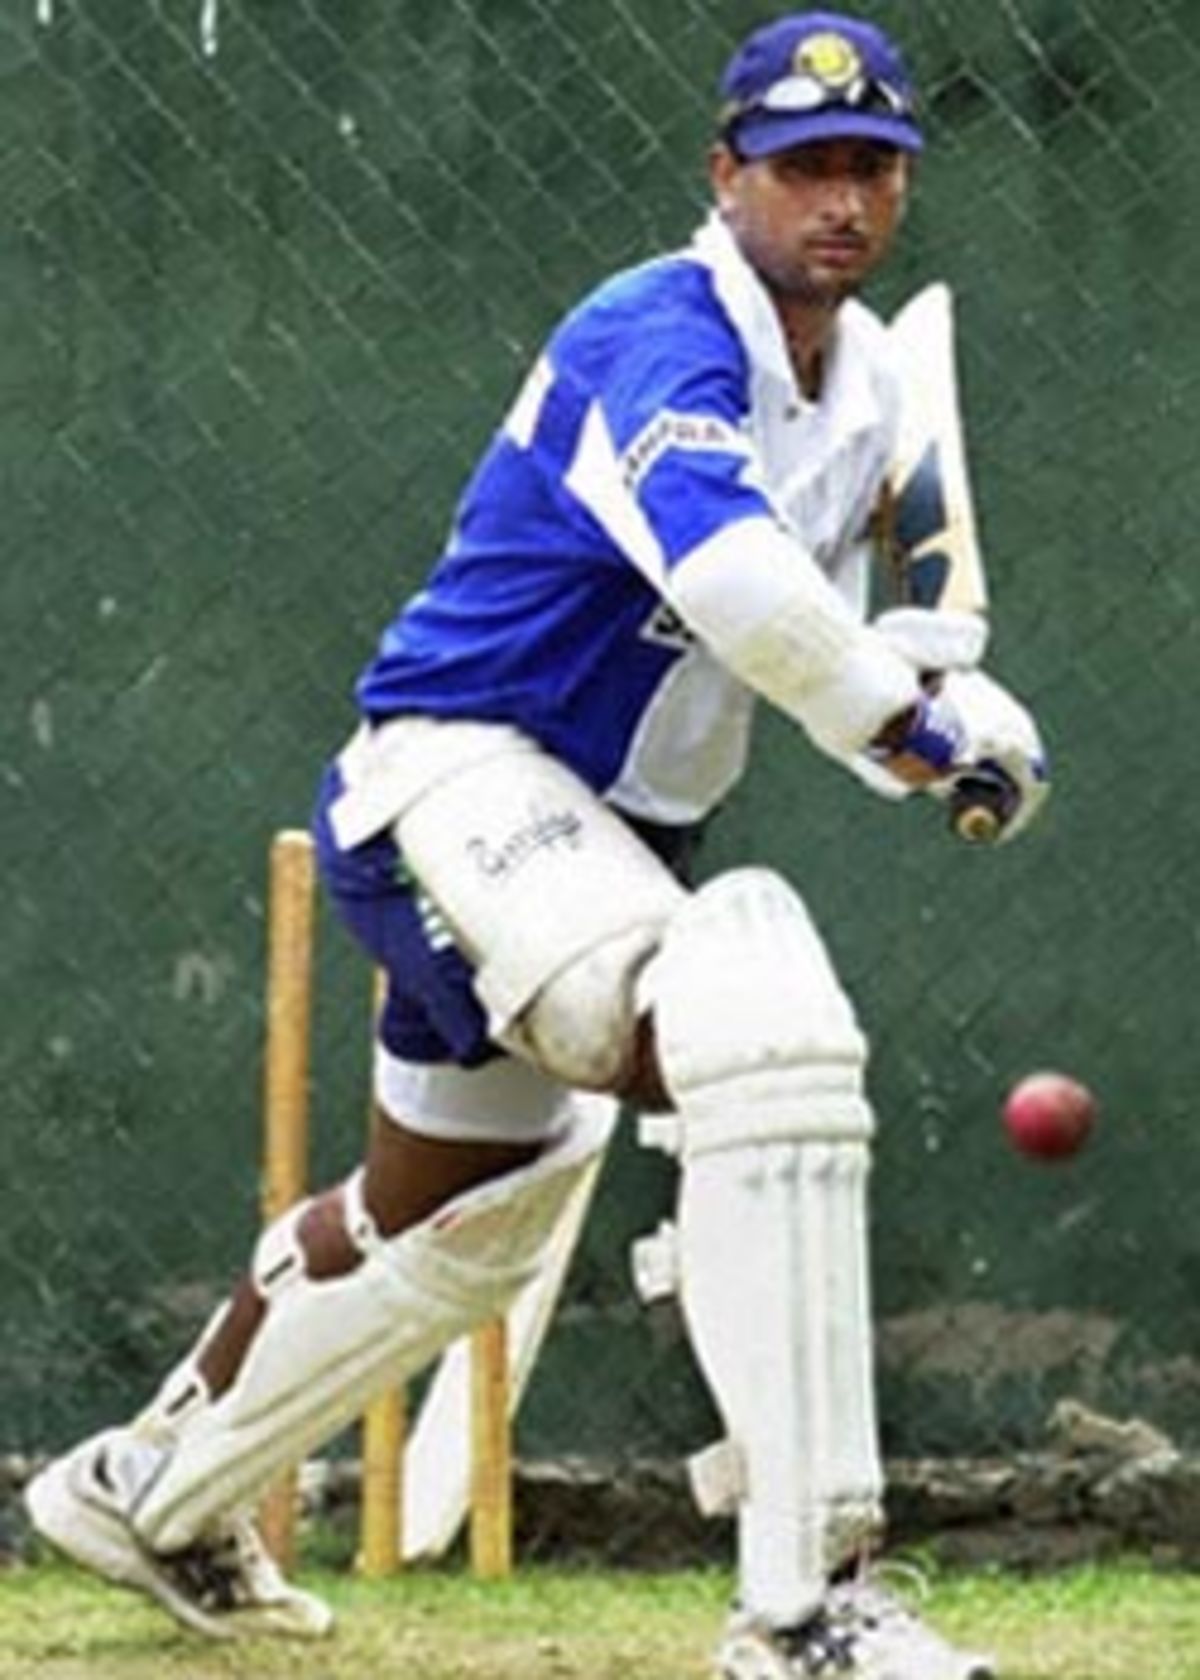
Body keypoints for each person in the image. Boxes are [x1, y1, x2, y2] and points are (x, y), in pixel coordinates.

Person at [27, 11, 1048, 1677]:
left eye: (871, 168)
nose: (840, 201)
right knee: (759, 1022)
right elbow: (734, 586)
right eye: (802, 168)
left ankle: (150, 1487)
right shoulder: (654, 330)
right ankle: (806, 1608)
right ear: (727, 176)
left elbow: (834, 650)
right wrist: (914, 729)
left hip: (612, 836)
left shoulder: (859, 387)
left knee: (464, 1205)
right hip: (460, 779)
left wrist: (948, 717)